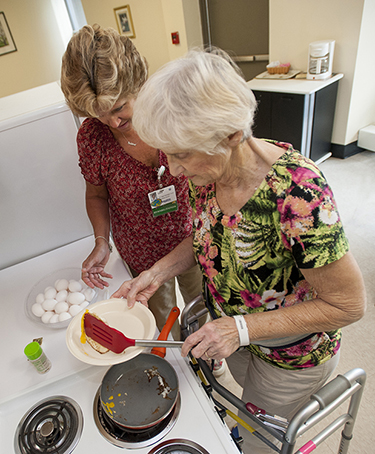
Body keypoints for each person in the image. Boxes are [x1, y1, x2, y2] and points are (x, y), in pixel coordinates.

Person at [112, 48, 367, 453]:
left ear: (231, 135)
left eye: (181, 155)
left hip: (291, 356)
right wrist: (157, 272)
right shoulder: (208, 173)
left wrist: (241, 329)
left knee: (256, 439)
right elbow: (208, 236)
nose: (175, 171)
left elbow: (350, 304)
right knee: (243, 403)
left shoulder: (299, 196)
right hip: (236, 334)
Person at [60, 25, 204, 340]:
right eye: (98, 114)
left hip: (191, 237)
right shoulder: (93, 137)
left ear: (136, 82)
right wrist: (101, 240)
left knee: (202, 303)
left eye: (119, 108)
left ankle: (207, 357)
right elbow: (96, 194)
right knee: (163, 322)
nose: (112, 122)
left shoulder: (172, 110)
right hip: (141, 249)